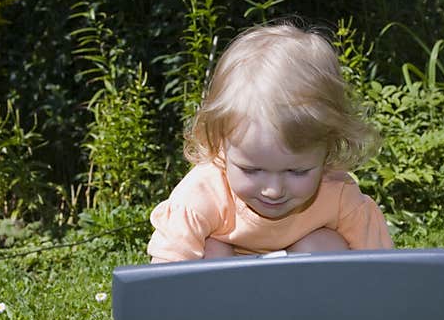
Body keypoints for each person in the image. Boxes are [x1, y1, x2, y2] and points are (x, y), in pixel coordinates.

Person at [147, 22, 394, 263]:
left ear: (328, 149)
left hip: (302, 295)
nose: (273, 191)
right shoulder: (202, 193)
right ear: (221, 142)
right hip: (227, 293)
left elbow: (381, 269)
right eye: (251, 170)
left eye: (297, 171)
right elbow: (165, 277)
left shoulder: (338, 193)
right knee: (211, 251)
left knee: (322, 246)